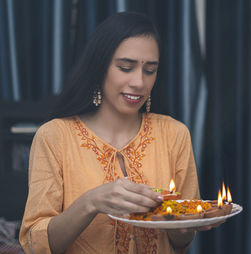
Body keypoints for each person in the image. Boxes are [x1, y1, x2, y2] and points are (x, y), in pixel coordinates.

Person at [19, 12, 214, 254]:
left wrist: (182, 228)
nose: (139, 82)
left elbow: (182, 242)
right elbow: (35, 244)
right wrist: (90, 203)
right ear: (99, 68)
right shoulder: (55, 137)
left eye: (150, 70)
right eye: (125, 67)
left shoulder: (174, 134)